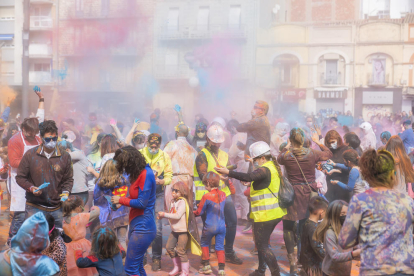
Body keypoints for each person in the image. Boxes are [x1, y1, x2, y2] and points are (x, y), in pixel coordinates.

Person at [216, 141, 287, 276]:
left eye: (255, 160)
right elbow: (261, 182)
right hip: (271, 213)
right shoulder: (272, 166)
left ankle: (275, 273)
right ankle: (261, 271)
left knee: (262, 245)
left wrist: (228, 172)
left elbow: (249, 176)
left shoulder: (265, 168)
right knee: (262, 243)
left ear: (262, 158)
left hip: (266, 214)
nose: (254, 163)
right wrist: (250, 182)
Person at [339, 149, 414, 275]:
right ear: (392, 174)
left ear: (367, 176)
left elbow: (345, 241)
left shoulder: (360, 201)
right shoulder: (407, 201)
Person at [277, 127, 332, 274]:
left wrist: (287, 146)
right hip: (308, 194)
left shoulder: (287, 155)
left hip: (292, 195)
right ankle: (302, 261)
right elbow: (329, 154)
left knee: (288, 227)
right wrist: (317, 141)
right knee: (303, 227)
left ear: (291, 139)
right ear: (304, 139)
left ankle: (292, 263)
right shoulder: (312, 153)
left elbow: (278, 158)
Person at [194, 124, 242, 265]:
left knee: (232, 221)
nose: (217, 143)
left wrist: (228, 178)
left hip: (223, 194)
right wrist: (217, 176)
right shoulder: (202, 155)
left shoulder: (224, 154)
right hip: (206, 195)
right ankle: (206, 258)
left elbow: (227, 172)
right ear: (208, 140)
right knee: (208, 226)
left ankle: (228, 252)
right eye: (214, 141)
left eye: (219, 141)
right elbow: (203, 174)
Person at [16, 120, 73, 228]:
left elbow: (68, 179)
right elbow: (20, 177)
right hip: (34, 207)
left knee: (57, 241)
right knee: (34, 240)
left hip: (57, 208)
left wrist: (66, 193)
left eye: (54, 138)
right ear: (41, 138)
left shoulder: (65, 156)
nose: (51, 141)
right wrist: (31, 188)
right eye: (48, 139)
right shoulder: (30, 155)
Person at [110, 146, 156, 276]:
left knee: (130, 269)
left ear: (131, 163)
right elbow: (137, 196)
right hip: (137, 225)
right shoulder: (139, 173)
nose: (125, 171)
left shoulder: (146, 174)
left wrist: (121, 200)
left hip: (144, 227)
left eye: (126, 167)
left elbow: (142, 203)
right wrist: (121, 201)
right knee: (138, 267)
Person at [139, 133, 173, 271]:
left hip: (157, 193)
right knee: (141, 225)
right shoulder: (140, 153)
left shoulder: (165, 156)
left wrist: (162, 181)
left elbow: (170, 175)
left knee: (157, 228)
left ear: (159, 144)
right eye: (151, 144)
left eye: (156, 144)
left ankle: (156, 258)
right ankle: (141, 256)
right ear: (147, 143)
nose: (153, 146)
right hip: (142, 193)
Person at [7, 117, 42, 244]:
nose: (32, 136)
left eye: (34, 133)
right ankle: (12, 240)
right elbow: (13, 162)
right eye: (29, 133)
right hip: (19, 181)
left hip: (35, 179)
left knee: (34, 212)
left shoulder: (38, 139)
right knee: (20, 213)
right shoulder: (15, 140)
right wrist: (33, 161)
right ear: (23, 129)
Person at [158, 181, 201, 276]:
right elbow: (172, 214)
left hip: (182, 231)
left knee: (181, 250)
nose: (173, 192)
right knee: (169, 247)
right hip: (174, 230)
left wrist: (164, 214)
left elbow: (177, 215)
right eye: (172, 190)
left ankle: (185, 271)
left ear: (182, 192)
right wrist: (163, 216)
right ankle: (177, 267)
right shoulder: (173, 201)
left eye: (176, 191)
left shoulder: (183, 202)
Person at [314, 200, 360, 276]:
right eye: (342, 214)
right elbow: (335, 256)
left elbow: (354, 246)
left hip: (344, 272)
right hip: (330, 273)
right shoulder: (330, 233)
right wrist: (353, 254)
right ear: (334, 216)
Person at [194, 172, 227, 276]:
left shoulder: (206, 196)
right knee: (220, 247)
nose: (204, 186)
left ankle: (206, 266)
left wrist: (191, 212)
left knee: (204, 243)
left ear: (208, 183)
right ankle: (221, 270)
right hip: (222, 226)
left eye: (205, 184)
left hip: (210, 226)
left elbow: (200, 212)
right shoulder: (223, 194)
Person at [93, 160, 130, 250]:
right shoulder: (124, 181)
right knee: (122, 240)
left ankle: (113, 263)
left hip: (107, 217)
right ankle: (123, 262)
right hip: (122, 215)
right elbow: (128, 196)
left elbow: (97, 200)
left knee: (110, 242)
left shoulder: (100, 183)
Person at [63, 195, 100, 276]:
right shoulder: (81, 217)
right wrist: (94, 207)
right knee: (85, 267)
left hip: (68, 248)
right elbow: (96, 212)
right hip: (82, 247)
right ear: (78, 207)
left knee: (73, 269)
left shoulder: (63, 220)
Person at [164, 121, 197, 208]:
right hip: (188, 182)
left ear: (177, 133)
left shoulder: (172, 145)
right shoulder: (192, 149)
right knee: (186, 208)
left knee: (173, 208)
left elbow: (163, 159)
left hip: (174, 181)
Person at [299, 196, 328, 276]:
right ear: (321, 212)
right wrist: (330, 257)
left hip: (306, 262)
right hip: (313, 266)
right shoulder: (314, 229)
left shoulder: (306, 223)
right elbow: (317, 248)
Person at [58, 139, 89, 205]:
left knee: (76, 213)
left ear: (67, 150)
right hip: (67, 192)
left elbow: (65, 156)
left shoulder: (79, 153)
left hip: (80, 193)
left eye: (59, 151)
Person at [324, 130, 351, 202]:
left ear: (338, 139)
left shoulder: (346, 149)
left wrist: (335, 170)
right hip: (330, 182)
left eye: (333, 142)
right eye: (329, 143)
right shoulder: (329, 151)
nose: (331, 145)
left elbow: (350, 167)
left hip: (343, 182)